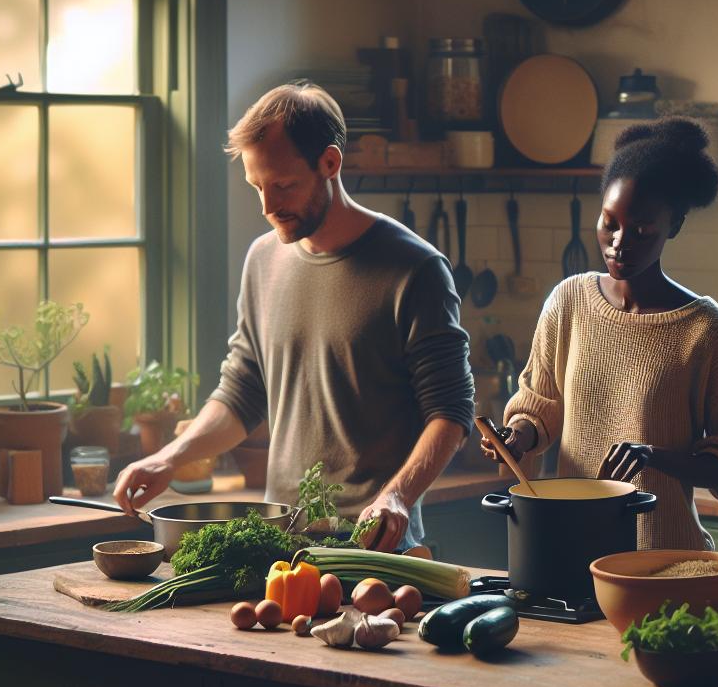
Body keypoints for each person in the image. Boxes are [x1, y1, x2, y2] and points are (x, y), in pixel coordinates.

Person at [114, 81, 475, 551]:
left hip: (375, 545)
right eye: (256, 187)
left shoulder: (416, 269)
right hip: (280, 543)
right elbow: (242, 395)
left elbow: (451, 413)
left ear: (330, 163)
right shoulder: (262, 261)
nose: (268, 207)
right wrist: (168, 458)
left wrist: (398, 497)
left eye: (283, 185)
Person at [482, 119, 718, 550]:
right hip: (573, 550)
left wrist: (654, 457)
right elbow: (538, 411)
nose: (619, 242)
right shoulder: (568, 302)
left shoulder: (705, 330)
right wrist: (515, 438)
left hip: (664, 558)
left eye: (642, 228)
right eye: (609, 223)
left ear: (675, 225)